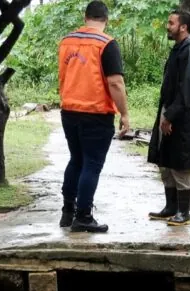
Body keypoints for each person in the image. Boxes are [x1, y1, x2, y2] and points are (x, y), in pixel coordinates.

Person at [57, 0, 130, 233]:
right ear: (105, 19)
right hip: (96, 113)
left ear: (84, 16)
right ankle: (84, 216)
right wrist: (125, 113)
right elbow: (115, 82)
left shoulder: (66, 42)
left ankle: (68, 211)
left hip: (69, 111)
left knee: (76, 159)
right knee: (91, 164)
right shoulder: (106, 44)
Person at [147, 10, 190, 226]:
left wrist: (171, 115)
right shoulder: (178, 49)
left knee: (181, 164)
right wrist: (166, 114)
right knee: (166, 162)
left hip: (184, 118)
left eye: (171, 23)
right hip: (170, 112)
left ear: (183, 27)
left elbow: (188, 90)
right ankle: (171, 208)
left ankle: (184, 212)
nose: (168, 26)